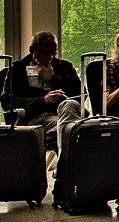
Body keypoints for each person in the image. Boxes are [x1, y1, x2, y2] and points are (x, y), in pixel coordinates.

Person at [6, 31, 84, 159]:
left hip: (64, 112)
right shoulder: (17, 69)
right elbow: (8, 101)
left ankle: (64, 165)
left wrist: (52, 79)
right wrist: (43, 100)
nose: (51, 56)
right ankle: (67, 166)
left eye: (54, 52)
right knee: (72, 128)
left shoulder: (64, 66)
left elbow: (80, 95)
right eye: (45, 52)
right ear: (33, 51)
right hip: (35, 117)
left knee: (68, 108)